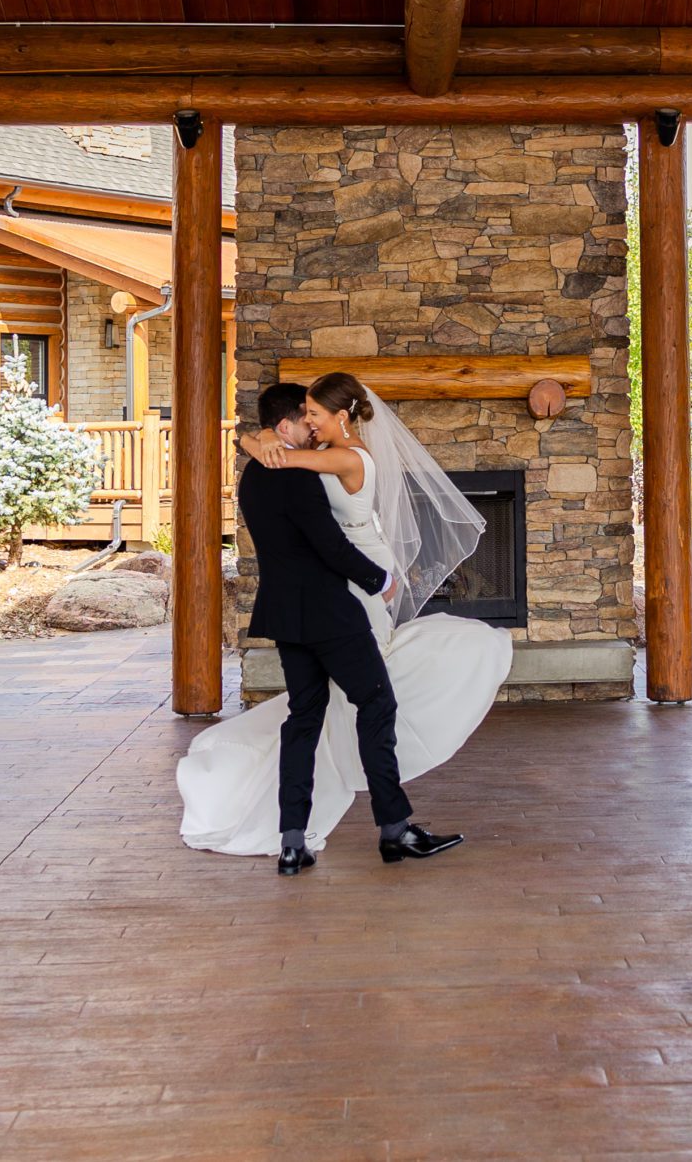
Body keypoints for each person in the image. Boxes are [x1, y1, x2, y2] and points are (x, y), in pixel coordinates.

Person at [176, 373, 512, 874]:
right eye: (305, 418)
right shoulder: (298, 473)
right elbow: (329, 546)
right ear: (290, 424)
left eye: (317, 416)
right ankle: (395, 830)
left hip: (285, 615)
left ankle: (292, 839)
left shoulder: (256, 474)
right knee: (376, 704)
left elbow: (290, 506)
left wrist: (255, 438)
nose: (312, 428)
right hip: (333, 612)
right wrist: (380, 581)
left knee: (304, 719)